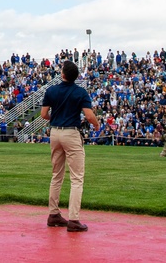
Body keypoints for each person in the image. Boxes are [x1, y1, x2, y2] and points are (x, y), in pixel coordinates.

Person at [41, 60, 99, 232]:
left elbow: (44, 114)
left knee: (56, 175)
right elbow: (89, 115)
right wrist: (96, 125)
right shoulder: (80, 92)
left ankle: (53, 214)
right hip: (71, 133)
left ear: (63, 74)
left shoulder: (51, 90)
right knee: (76, 178)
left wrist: (56, 119)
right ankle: (74, 218)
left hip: (55, 133)